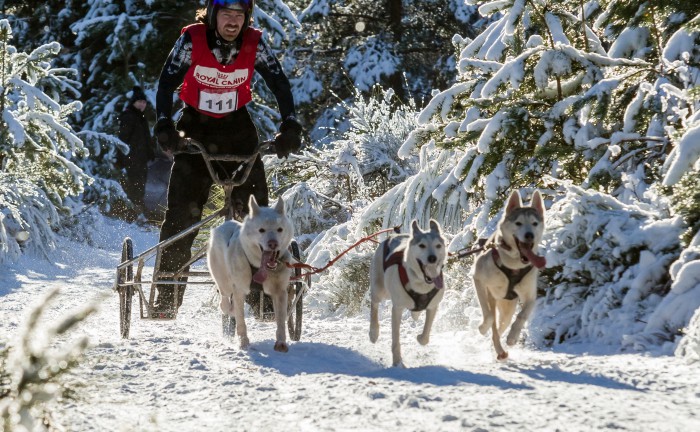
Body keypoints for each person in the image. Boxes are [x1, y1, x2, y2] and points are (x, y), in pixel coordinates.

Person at [153, 0, 303, 312]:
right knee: (182, 218)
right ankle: (166, 299)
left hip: (238, 132)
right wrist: (165, 123)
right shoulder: (192, 39)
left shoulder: (254, 43)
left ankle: (264, 302)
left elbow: (279, 83)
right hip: (195, 130)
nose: (233, 22)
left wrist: (289, 124)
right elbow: (167, 82)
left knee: (258, 219)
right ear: (212, 15)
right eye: (226, 14)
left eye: (239, 15)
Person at [117, 86, 154, 221]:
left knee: (139, 186)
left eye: (144, 102)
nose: (142, 104)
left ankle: (135, 214)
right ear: (133, 102)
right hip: (132, 159)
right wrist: (121, 157)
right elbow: (123, 138)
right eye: (139, 102)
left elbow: (145, 138)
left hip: (140, 158)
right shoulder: (129, 117)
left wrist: (150, 152)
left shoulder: (140, 117)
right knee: (135, 186)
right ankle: (132, 215)